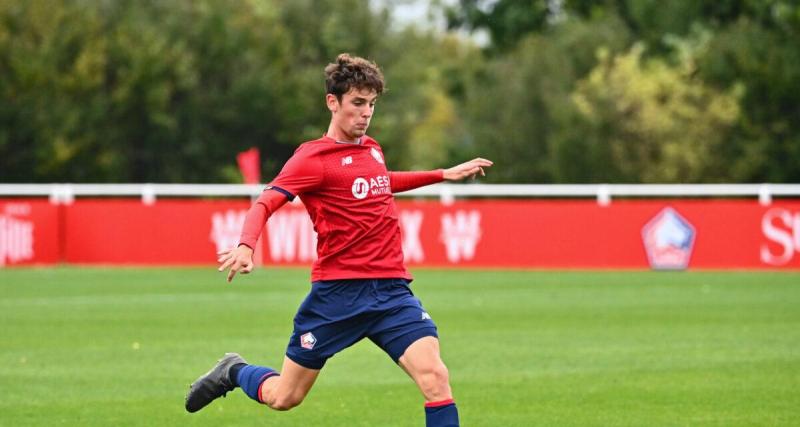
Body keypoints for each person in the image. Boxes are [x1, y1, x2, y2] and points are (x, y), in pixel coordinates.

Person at [185, 53, 492, 427]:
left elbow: (383, 180)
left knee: (436, 378)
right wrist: (247, 244)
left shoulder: (372, 148)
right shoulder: (311, 159)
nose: (365, 113)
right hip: (338, 296)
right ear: (333, 102)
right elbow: (265, 201)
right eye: (357, 103)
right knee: (285, 397)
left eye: (372, 105)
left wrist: (443, 174)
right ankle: (234, 371)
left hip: (391, 293)